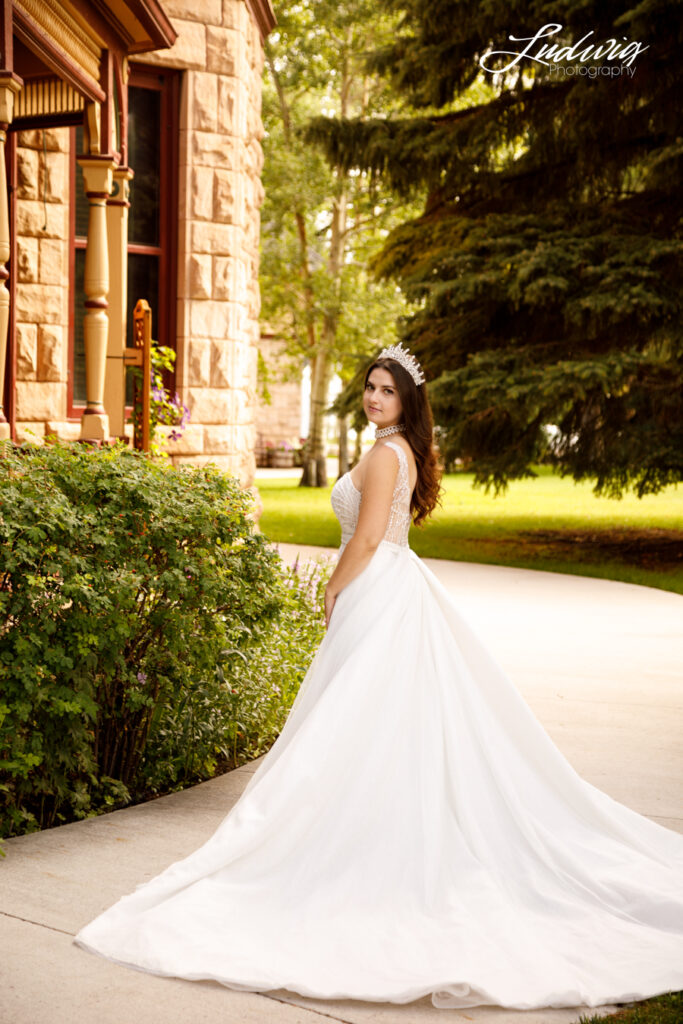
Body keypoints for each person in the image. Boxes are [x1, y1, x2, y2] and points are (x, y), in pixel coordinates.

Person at [75, 345, 683, 1011]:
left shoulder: (389, 453)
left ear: (406, 403)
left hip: (376, 588)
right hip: (393, 587)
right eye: (369, 386)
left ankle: (354, 849)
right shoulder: (397, 450)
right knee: (369, 727)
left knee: (356, 724)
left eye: (386, 391)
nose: (373, 398)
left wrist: (332, 590)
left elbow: (364, 540)